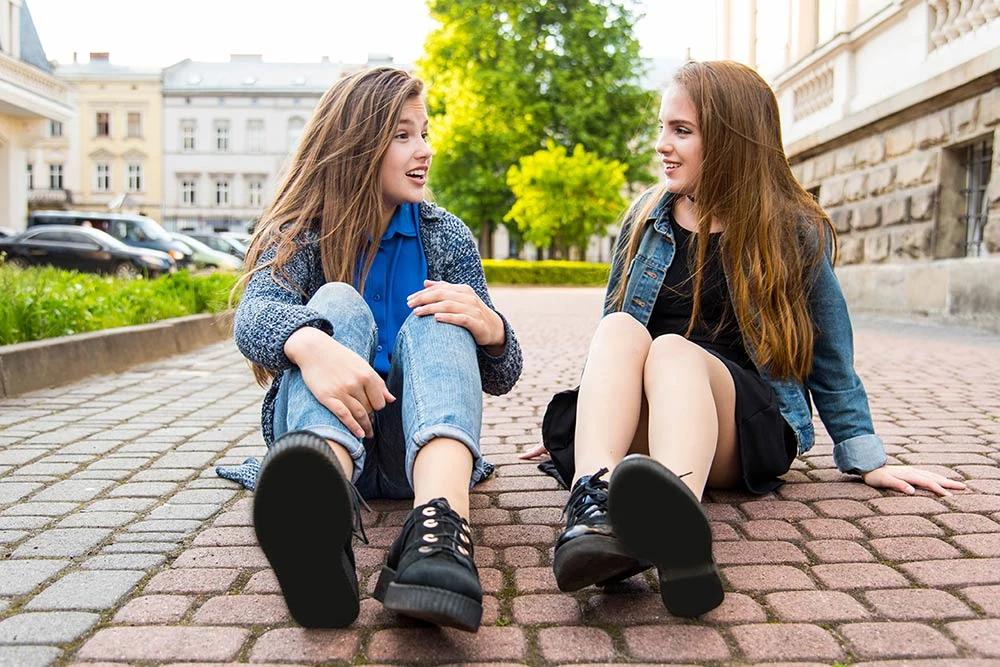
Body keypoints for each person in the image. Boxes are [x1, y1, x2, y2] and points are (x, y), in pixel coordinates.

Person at [521, 60, 964, 619]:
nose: (662, 145)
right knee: (618, 328)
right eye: (662, 128)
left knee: (674, 351)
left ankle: (673, 523)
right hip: (660, 418)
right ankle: (595, 511)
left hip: (743, 423)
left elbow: (831, 356)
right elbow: (614, 336)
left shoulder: (791, 230)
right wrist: (593, 421)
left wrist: (865, 456)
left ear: (730, 140)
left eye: (681, 131)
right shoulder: (645, 217)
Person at [232, 67, 522, 633]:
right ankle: (317, 523)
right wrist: (313, 346)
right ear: (357, 146)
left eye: (425, 132)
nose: (425, 150)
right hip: (328, 437)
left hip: (419, 452)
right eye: (403, 135)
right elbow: (253, 314)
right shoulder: (300, 232)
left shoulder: (446, 235)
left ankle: (439, 535)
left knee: (442, 317)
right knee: (336, 302)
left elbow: (502, 375)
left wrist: (492, 329)